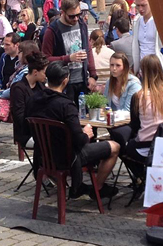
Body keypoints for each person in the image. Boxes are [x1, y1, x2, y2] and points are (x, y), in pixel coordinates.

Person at [28, 61, 121, 199]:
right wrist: (86, 133)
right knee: (115, 146)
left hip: (43, 155)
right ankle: (98, 187)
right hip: (68, 156)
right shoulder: (66, 105)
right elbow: (79, 140)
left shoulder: (34, 99)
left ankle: (88, 186)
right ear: (65, 80)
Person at [41, 0, 96, 100]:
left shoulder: (81, 24)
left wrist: (93, 75)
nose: (75, 18)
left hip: (82, 81)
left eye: (78, 15)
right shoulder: (52, 31)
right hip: (63, 84)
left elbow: (88, 50)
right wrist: (68, 58)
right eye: (71, 16)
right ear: (63, 12)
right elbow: (45, 58)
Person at [125, 54, 163, 160]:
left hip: (145, 147)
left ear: (142, 73)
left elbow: (135, 125)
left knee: (123, 143)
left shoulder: (139, 96)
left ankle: (139, 175)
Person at [131, 0, 163, 80]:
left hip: (159, 72)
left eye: (143, 5)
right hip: (142, 72)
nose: (140, 9)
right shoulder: (137, 21)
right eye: (138, 5)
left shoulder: (161, 21)